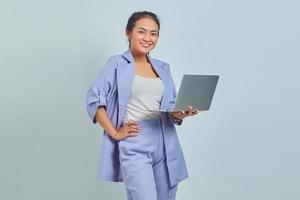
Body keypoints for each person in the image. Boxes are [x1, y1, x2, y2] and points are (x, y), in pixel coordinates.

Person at [86, 11, 199, 200]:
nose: (148, 38)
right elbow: (95, 99)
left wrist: (181, 114)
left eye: (153, 33)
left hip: (167, 141)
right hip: (135, 140)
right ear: (128, 32)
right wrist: (115, 133)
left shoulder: (163, 67)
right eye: (142, 32)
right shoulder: (116, 64)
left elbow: (170, 108)